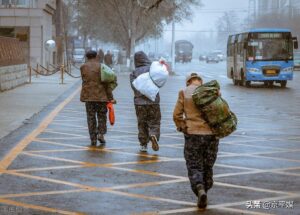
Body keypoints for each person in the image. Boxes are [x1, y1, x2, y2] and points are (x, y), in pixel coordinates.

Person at [173, 73, 219, 209]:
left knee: (194, 165)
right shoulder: (211, 91)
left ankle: (199, 188)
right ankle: (206, 188)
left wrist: (183, 127)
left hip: (193, 134)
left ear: (188, 82)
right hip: (211, 135)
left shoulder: (184, 92)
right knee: (207, 164)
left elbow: (176, 115)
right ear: (200, 81)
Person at [80, 50, 115, 147]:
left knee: (90, 117)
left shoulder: (83, 67)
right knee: (102, 116)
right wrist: (111, 98)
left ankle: (93, 138)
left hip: (89, 97)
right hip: (101, 97)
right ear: (96, 56)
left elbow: (85, 80)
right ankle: (101, 134)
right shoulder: (102, 67)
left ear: (87, 57)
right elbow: (107, 83)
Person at [130, 51, 160, 153]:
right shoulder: (152, 69)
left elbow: (134, 87)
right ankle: (153, 135)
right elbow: (159, 82)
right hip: (153, 102)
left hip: (139, 103)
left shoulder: (134, 72)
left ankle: (143, 144)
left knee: (142, 123)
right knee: (154, 121)